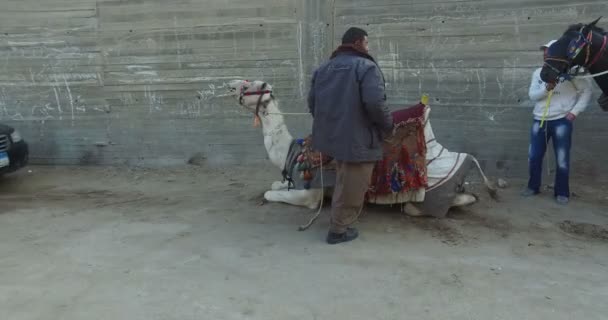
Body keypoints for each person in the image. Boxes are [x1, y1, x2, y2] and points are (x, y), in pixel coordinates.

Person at [307, 27, 393, 244]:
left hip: (332, 136)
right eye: (366, 43)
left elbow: (312, 103)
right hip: (358, 137)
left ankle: (337, 220)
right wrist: (388, 125)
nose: (368, 47)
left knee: (344, 178)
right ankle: (338, 230)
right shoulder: (366, 67)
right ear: (357, 43)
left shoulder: (323, 68)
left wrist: (329, 125)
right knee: (353, 183)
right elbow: (375, 103)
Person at [521, 39, 592, 204]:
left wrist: (574, 113)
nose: (546, 54)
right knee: (534, 157)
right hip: (539, 121)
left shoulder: (573, 72)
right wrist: (546, 88)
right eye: (544, 51)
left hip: (561, 122)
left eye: (549, 50)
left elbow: (587, 92)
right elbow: (532, 96)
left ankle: (562, 192)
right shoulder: (539, 72)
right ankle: (533, 187)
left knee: (562, 159)